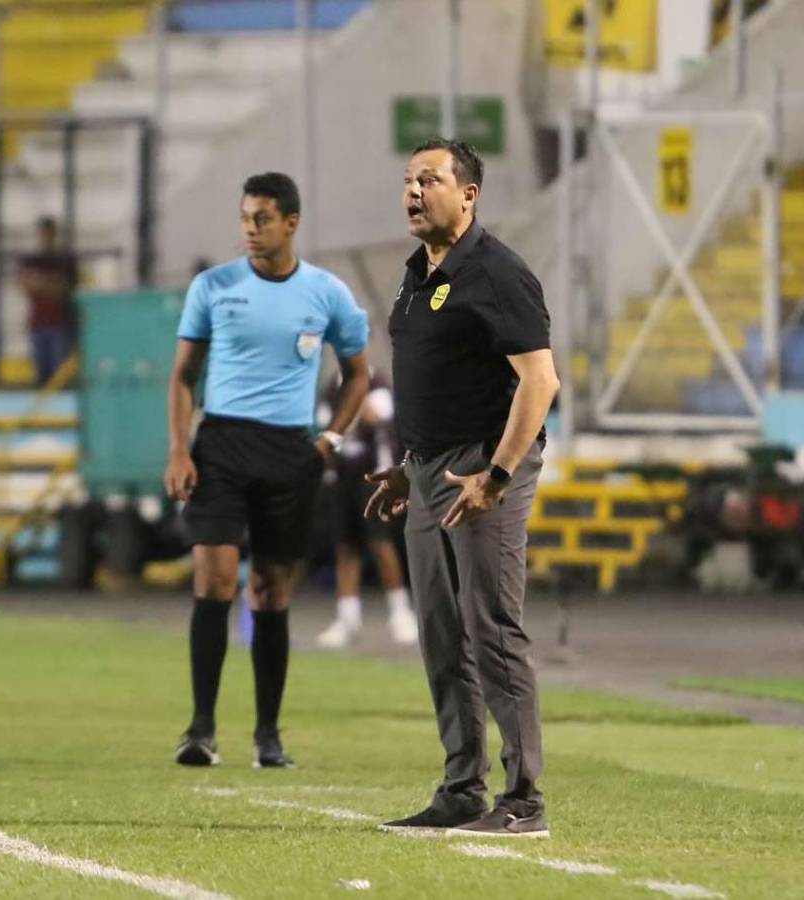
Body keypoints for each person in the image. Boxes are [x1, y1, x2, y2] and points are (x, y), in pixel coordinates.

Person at [365, 140, 560, 837]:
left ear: (469, 194)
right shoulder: (416, 273)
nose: (414, 190)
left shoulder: (497, 273)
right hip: (427, 470)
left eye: (431, 179)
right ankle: (460, 789)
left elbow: (541, 382)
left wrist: (499, 475)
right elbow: (430, 376)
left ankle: (525, 799)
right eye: (409, 179)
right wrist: (404, 464)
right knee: (442, 634)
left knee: (491, 628)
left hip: (482, 467)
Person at [165, 172, 371, 769]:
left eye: (262, 219)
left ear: (291, 222)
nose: (250, 230)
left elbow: (358, 373)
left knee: (271, 592)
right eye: (245, 219)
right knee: (216, 580)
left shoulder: (327, 293)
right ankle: (201, 729)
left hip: (290, 452)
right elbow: (182, 376)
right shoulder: (213, 287)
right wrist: (179, 449)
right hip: (221, 444)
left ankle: (268, 735)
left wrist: (331, 437)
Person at [316, 373, 417, 648]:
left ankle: (400, 613)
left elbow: (376, 416)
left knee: (380, 543)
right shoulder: (332, 386)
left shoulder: (377, 382)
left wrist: (351, 399)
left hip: (372, 476)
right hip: (341, 476)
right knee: (345, 547)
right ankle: (347, 618)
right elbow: (326, 425)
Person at [18, 215, 79, 385]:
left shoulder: (65, 260)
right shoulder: (31, 259)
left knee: (59, 378)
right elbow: (26, 287)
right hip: (38, 323)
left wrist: (41, 284)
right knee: (41, 375)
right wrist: (50, 283)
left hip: (60, 323)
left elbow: (65, 289)